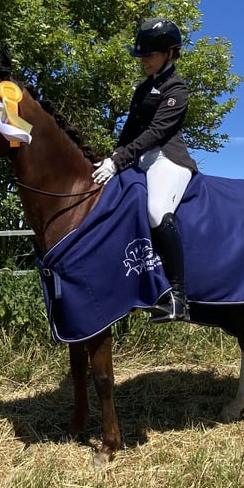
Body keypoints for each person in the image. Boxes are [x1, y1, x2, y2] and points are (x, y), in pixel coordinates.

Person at [92, 17, 197, 323]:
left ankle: (178, 298)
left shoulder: (177, 88)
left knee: (155, 211)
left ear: (169, 53)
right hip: (139, 160)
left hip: (168, 159)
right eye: (142, 55)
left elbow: (156, 132)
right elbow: (129, 131)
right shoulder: (143, 89)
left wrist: (120, 160)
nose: (144, 61)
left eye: (150, 55)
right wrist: (111, 157)